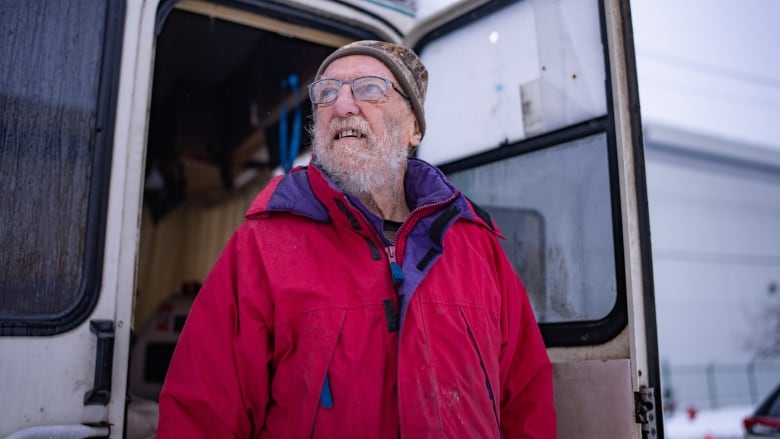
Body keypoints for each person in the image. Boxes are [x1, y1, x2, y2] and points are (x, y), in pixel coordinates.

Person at [157, 40, 556, 438]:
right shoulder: (262, 246)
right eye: (327, 93)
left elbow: (526, 400)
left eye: (368, 88)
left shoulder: (476, 244)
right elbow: (200, 416)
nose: (343, 106)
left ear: (414, 128)